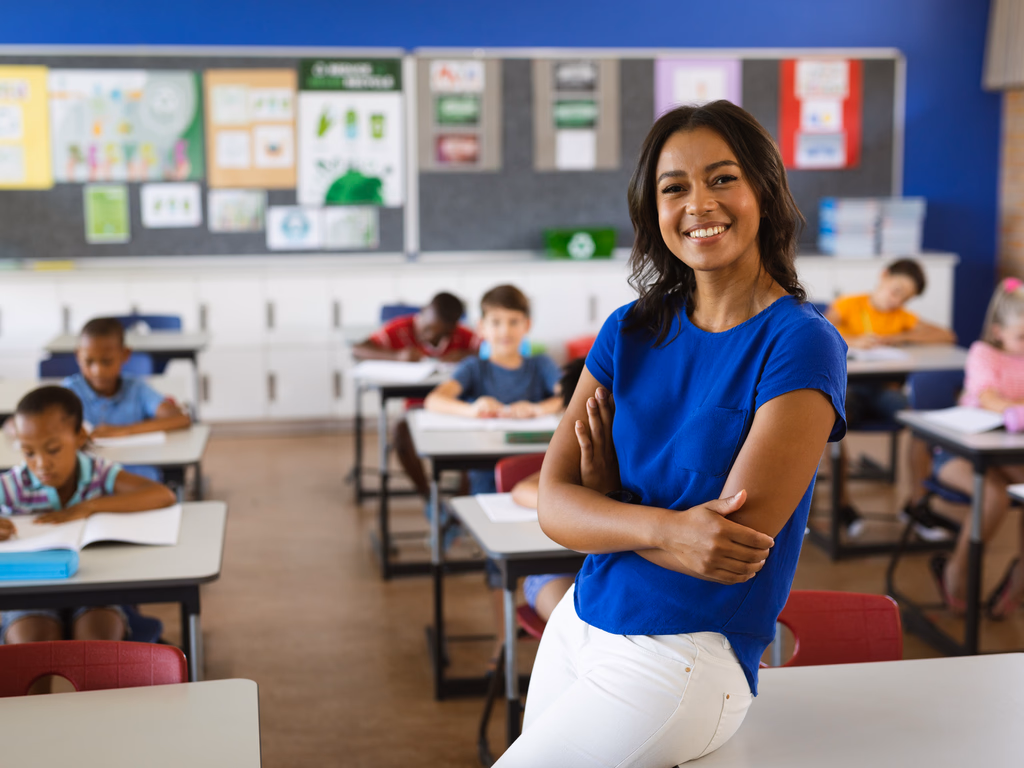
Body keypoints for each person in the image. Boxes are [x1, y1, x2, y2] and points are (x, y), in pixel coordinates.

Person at [494, 101, 847, 766]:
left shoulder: (800, 343)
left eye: (721, 179)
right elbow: (554, 504)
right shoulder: (628, 330)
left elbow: (730, 549)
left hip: (686, 655)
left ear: (764, 191)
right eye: (673, 187)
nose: (698, 204)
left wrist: (611, 510)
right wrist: (664, 528)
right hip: (581, 619)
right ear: (652, 209)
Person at [424, 284, 564, 665]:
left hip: (539, 472)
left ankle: (550, 636)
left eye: (514, 321)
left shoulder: (540, 364)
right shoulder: (475, 368)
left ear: (527, 325)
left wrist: (538, 409)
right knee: (498, 561)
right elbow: (436, 399)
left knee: (550, 548)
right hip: (489, 477)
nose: (505, 330)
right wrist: (474, 409)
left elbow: (565, 396)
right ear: (482, 327)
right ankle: (503, 643)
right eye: (496, 322)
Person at [0, 386, 177, 649]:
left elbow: (161, 494)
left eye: (53, 449)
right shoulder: (13, 485)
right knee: (33, 647)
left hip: (96, 590)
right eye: (29, 453)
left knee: (97, 645)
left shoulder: (98, 473)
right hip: (31, 592)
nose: (41, 464)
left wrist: (90, 506)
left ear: (80, 437)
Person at [824, 260, 957, 536]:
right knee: (827, 420)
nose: (896, 300)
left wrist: (899, 338)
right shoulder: (849, 304)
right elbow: (822, 328)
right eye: (895, 291)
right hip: (847, 388)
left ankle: (916, 504)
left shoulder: (900, 317)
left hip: (883, 392)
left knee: (921, 422)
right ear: (883, 276)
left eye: (905, 298)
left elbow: (946, 335)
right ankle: (842, 503)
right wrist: (852, 339)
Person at [930, 277, 1024, 619]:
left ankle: (1019, 582)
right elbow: (989, 398)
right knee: (993, 497)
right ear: (998, 331)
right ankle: (957, 572)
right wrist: (1012, 407)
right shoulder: (984, 353)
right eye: (1021, 337)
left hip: (1009, 454)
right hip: (959, 455)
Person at [353, 292, 478, 499]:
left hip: (455, 409)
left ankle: (457, 507)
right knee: (400, 431)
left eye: (434, 332)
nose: (425, 335)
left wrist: (465, 355)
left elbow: (493, 350)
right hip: (416, 411)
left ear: (451, 329)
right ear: (422, 312)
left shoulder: (462, 336)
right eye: (425, 327)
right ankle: (428, 496)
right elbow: (358, 348)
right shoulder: (403, 328)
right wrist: (396, 356)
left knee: (475, 439)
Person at [63, 317, 192, 482]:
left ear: (125, 354)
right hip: (86, 477)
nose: (98, 371)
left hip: (136, 473)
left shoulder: (137, 389)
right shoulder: (69, 391)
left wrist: (122, 431)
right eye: (89, 362)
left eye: (107, 361)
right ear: (77, 355)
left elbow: (180, 419)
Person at [506, 358, 586, 622]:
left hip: (621, 568)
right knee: (573, 627)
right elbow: (522, 490)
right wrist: (580, 506)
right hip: (557, 571)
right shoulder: (573, 450)